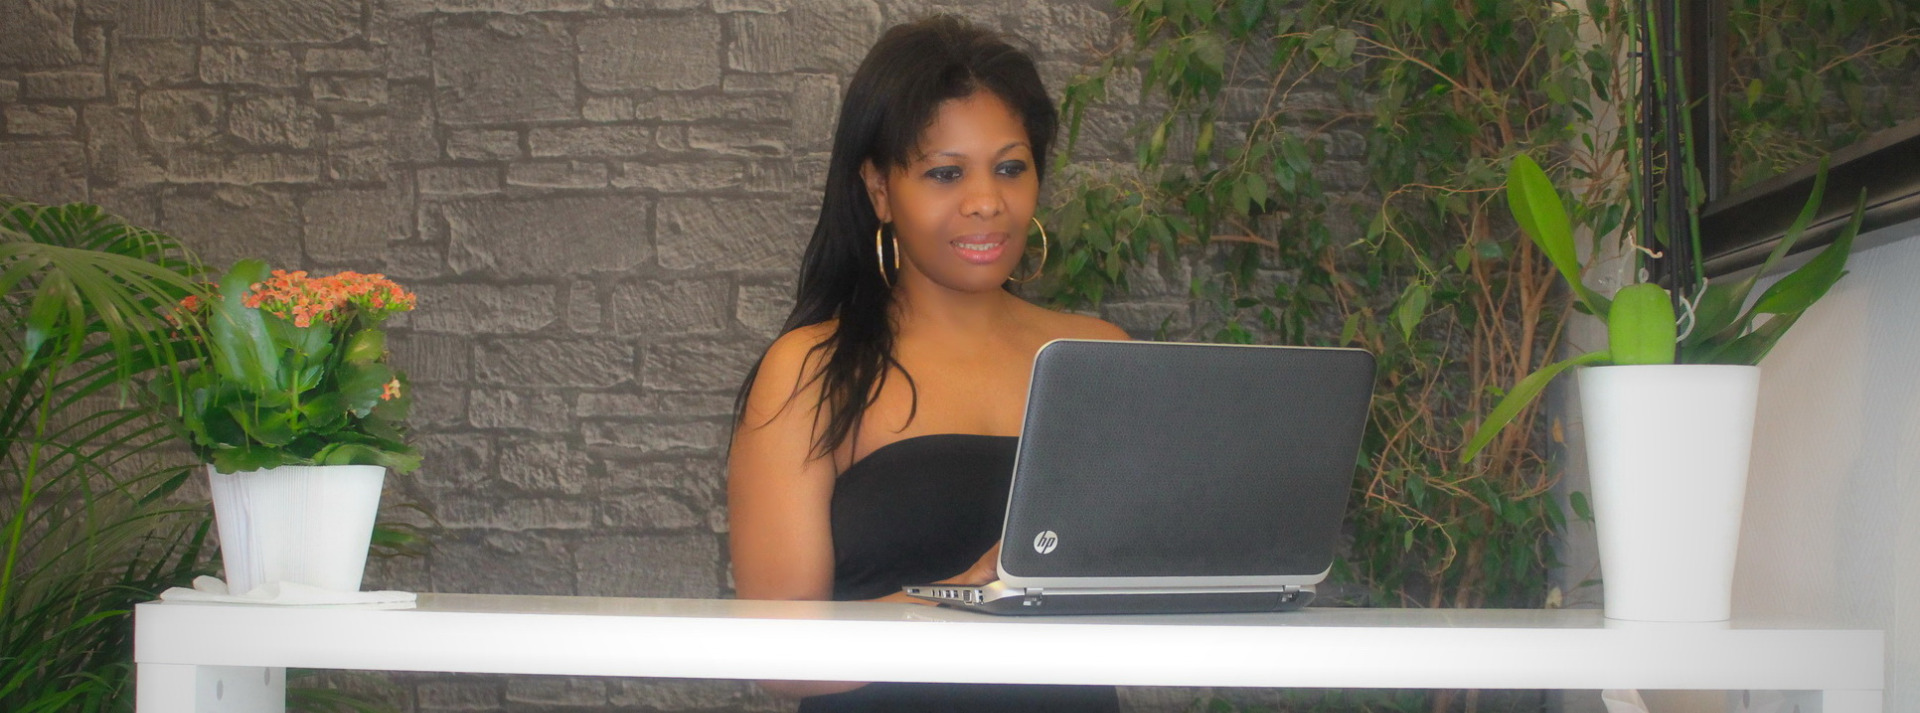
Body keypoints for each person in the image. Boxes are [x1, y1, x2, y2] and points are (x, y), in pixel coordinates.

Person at [726, 15, 1129, 713]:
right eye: (946, 173)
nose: (986, 201)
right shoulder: (813, 372)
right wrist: (963, 599)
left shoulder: (1101, 356)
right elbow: (778, 655)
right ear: (880, 189)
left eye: (1010, 167)